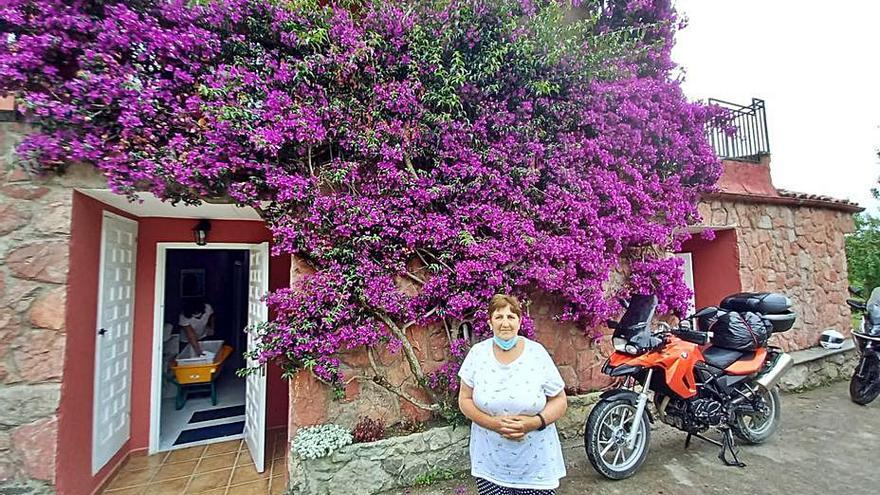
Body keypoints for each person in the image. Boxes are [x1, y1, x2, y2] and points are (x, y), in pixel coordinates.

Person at [458, 294, 568, 495]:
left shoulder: (537, 354)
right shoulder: (477, 354)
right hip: (490, 461)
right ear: (490, 322)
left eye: (511, 316)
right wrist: (494, 424)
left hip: (536, 463)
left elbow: (559, 400)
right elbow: (464, 399)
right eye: (499, 317)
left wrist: (533, 423)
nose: (505, 323)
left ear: (520, 321)